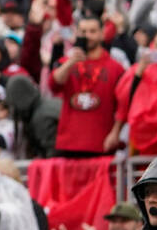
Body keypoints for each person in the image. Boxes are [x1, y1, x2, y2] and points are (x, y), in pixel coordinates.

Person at [49, 16, 126, 157]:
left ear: (102, 34)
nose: (87, 36)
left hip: (101, 143)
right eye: (83, 32)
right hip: (69, 143)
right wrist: (71, 62)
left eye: (92, 31)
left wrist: (115, 132)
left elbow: (123, 105)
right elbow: (54, 85)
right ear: (77, 34)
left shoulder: (116, 68)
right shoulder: (67, 62)